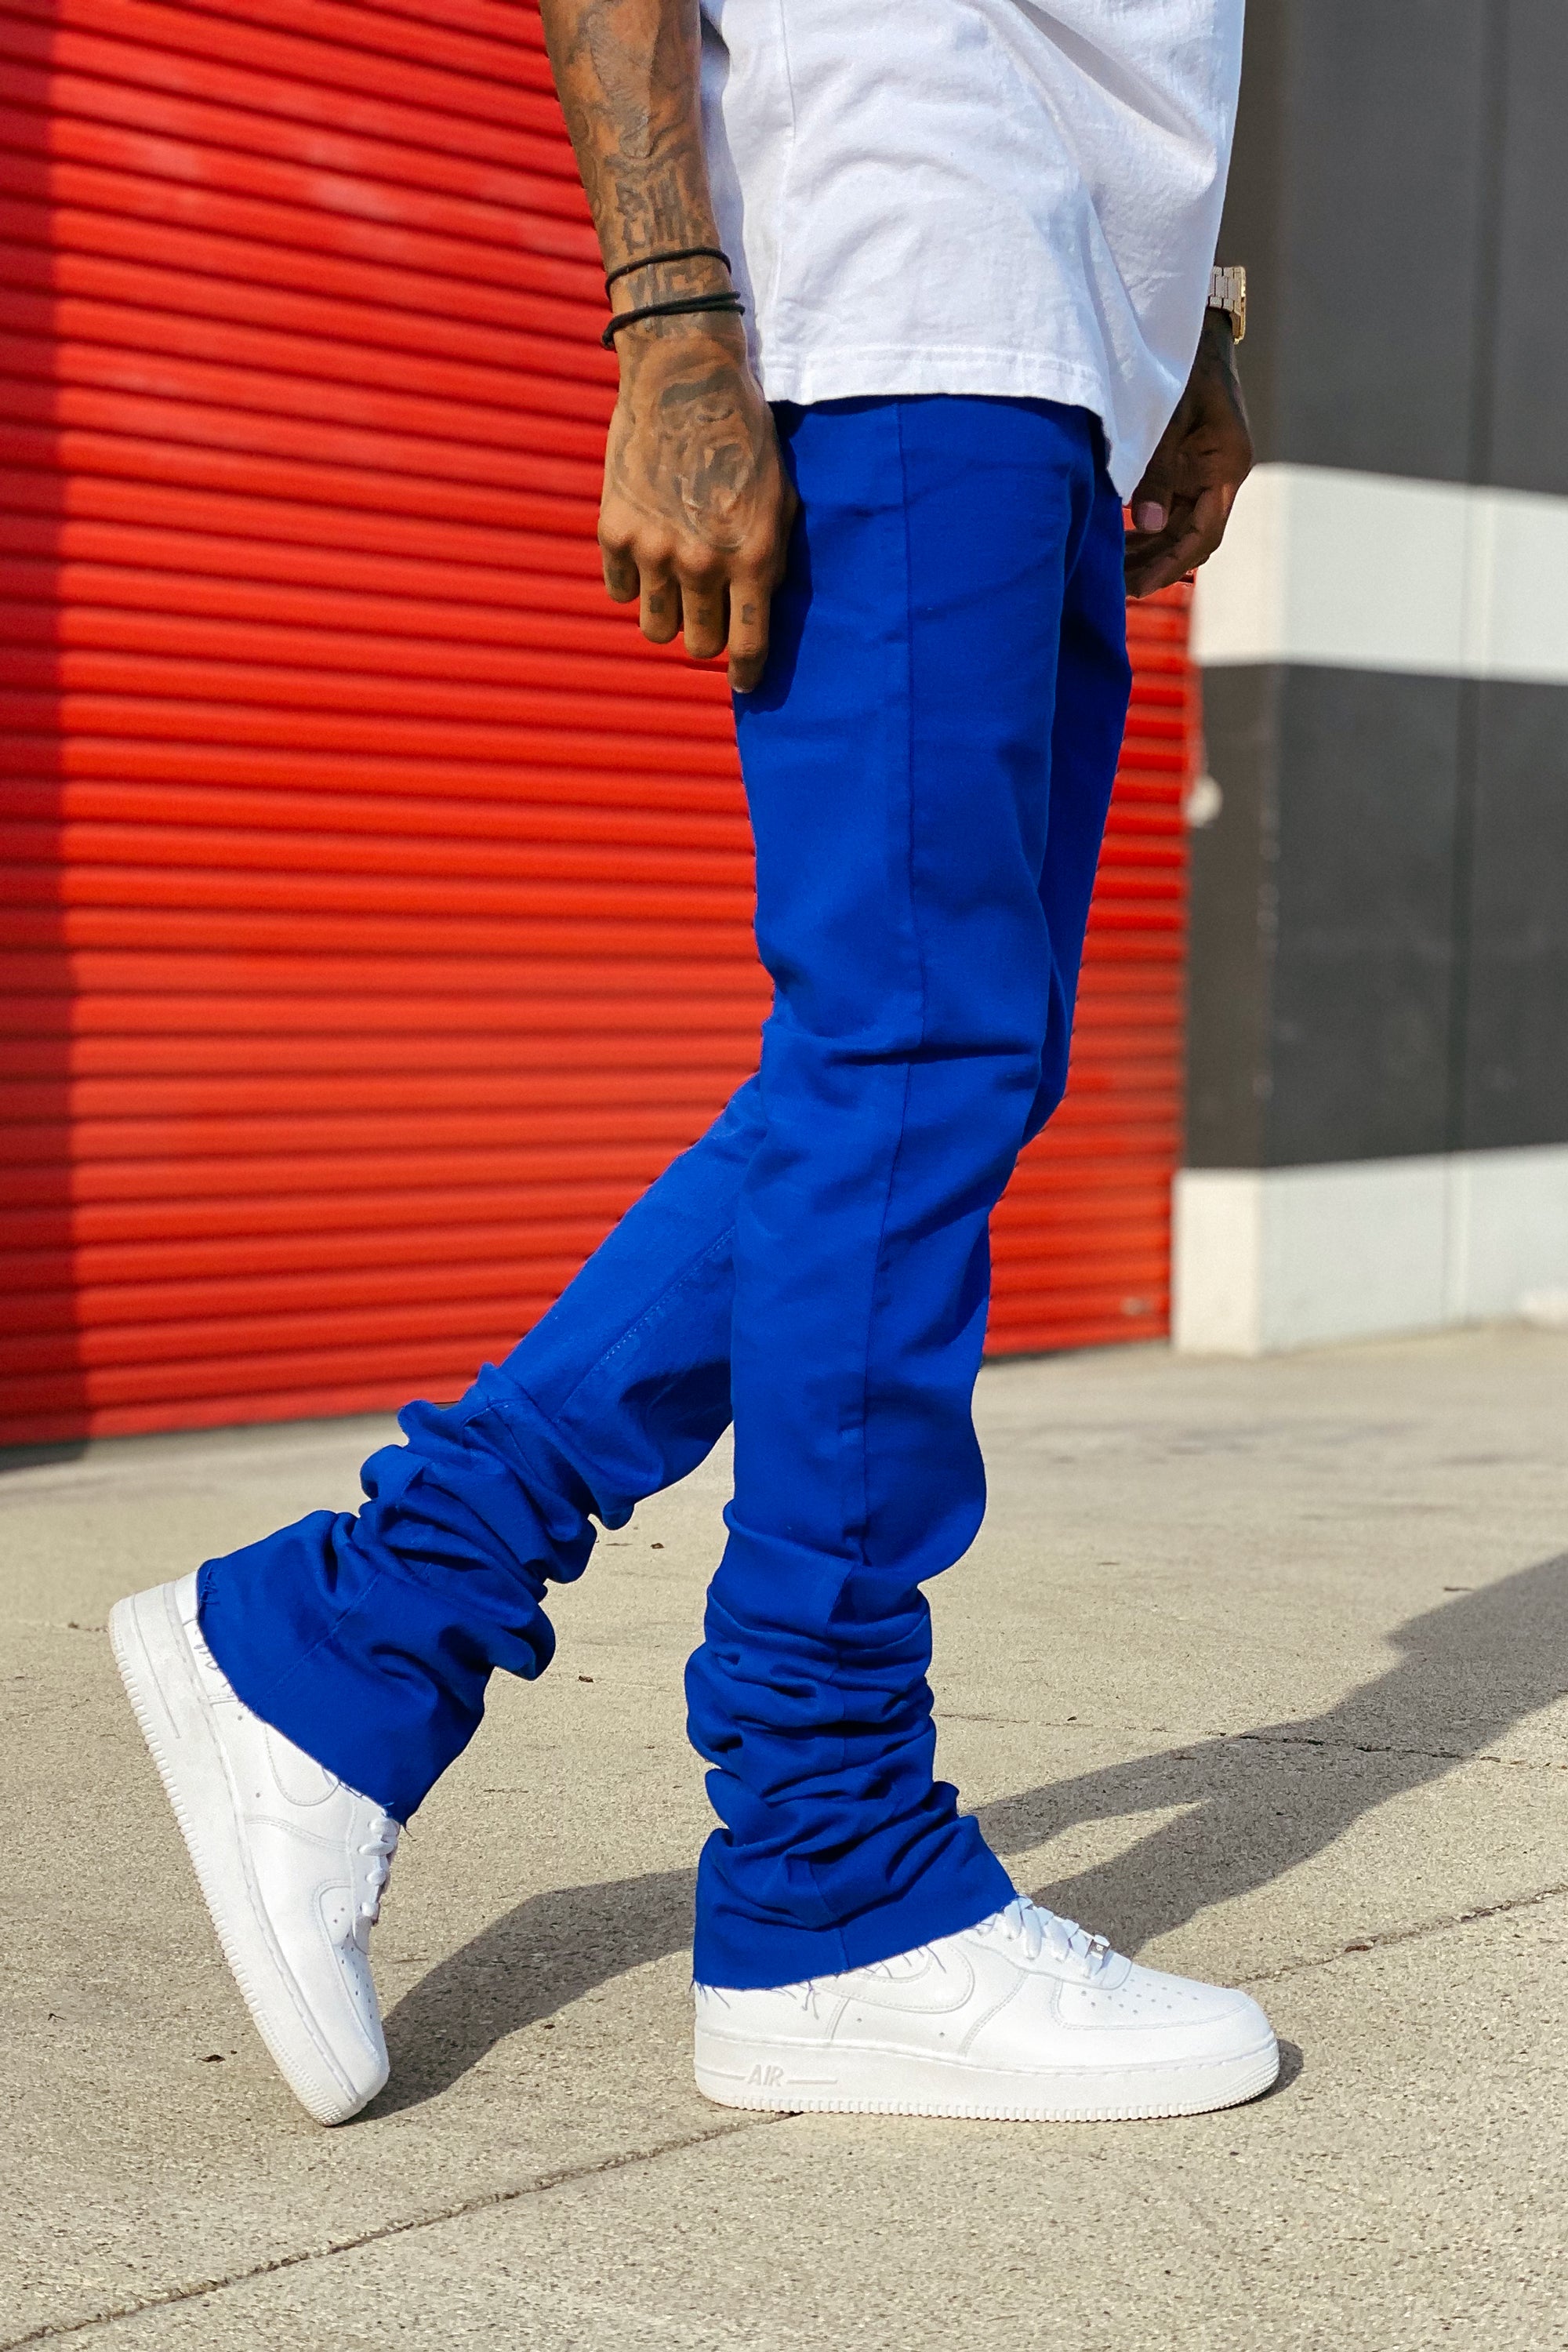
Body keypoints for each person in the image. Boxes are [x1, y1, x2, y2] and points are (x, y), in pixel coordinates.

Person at [111, 0, 1273, 2127]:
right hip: (912, 259)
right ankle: (834, 1875)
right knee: (905, 1055)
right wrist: (668, 327)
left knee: (949, 1069)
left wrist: (1185, 322)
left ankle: (359, 1635)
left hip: (1069, 330)